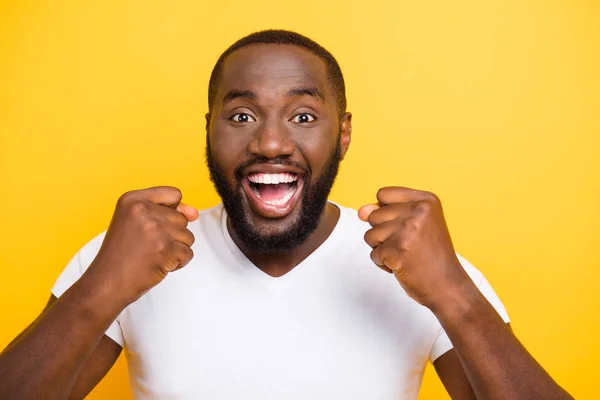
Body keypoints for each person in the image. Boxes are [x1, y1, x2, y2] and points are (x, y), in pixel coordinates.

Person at [0, 30, 572, 400]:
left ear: (343, 133)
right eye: (242, 116)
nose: (271, 143)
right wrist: (99, 289)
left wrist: (455, 294)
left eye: (303, 116)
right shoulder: (124, 260)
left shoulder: (424, 269)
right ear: (209, 130)